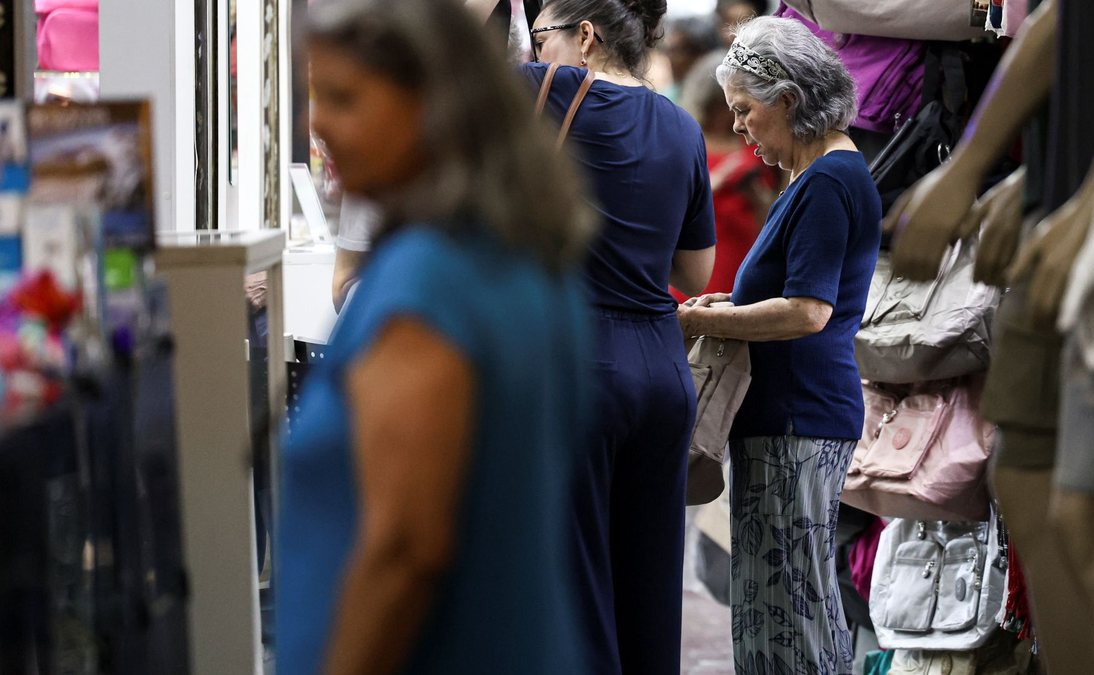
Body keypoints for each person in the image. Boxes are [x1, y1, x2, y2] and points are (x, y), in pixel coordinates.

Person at [275, 1, 596, 674]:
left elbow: (404, 551)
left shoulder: (426, 286)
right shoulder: (525, 258)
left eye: (344, 98)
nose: (318, 123)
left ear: (433, 103)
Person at [466, 0, 718, 671]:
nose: (536, 49)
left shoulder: (533, 93)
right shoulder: (682, 125)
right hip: (663, 370)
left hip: (577, 363)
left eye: (542, 36)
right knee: (650, 584)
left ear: (584, 35)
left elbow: (441, 74)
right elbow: (696, 270)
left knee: (575, 585)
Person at [676, 17, 881, 674]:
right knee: (788, 602)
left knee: (790, 607)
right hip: (793, 417)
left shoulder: (826, 181)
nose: (738, 127)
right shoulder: (820, 178)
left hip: (798, 417)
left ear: (788, 98)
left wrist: (705, 322)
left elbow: (807, 311)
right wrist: (726, 306)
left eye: (745, 110)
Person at [673, 49, 778, 301]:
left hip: (744, 253)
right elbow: (669, 212)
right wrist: (716, 182)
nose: (730, 116)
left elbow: (770, 221)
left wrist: (756, 196)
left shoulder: (757, 146)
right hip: (700, 258)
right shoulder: (686, 141)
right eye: (722, 106)